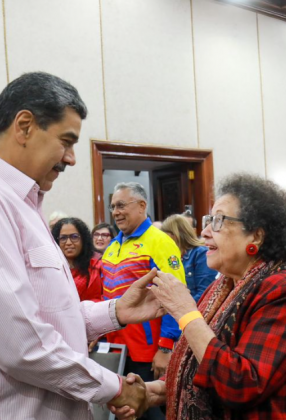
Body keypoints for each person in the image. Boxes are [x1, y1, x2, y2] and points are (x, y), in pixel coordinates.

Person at [0, 72, 165, 420]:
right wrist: (115, 388)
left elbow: (45, 317)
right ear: (24, 126)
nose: (71, 159)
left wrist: (115, 312)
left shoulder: (24, 204)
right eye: (66, 142)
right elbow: (18, 342)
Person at [111, 173, 286, 420]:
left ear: (255, 236)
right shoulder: (220, 287)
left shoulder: (278, 289)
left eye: (218, 221)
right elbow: (195, 363)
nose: (204, 232)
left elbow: (241, 384)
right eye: (208, 220)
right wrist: (154, 391)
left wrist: (185, 312)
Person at [102, 182, 186, 420]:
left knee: (151, 413)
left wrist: (165, 346)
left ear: (142, 206)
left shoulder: (160, 242)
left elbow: (176, 297)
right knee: (126, 411)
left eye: (121, 205)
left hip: (147, 351)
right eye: (113, 206)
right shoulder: (113, 245)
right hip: (117, 348)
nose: (116, 212)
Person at [161, 214, 217, 302]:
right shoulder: (171, 256)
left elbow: (205, 292)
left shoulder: (200, 253)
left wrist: (181, 308)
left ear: (175, 235)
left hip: (194, 311)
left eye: (164, 236)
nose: (162, 240)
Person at [52, 217, 103, 302]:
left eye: (74, 237)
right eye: (63, 238)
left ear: (83, 239)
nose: (68, 243)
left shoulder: (96, 267)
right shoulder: (52, 270)